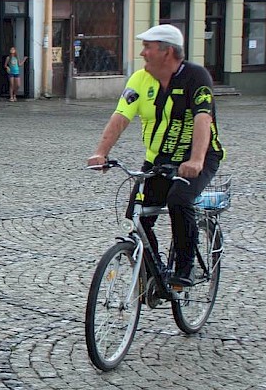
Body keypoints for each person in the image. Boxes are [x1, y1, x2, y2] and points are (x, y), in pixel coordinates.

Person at [87, 24, 225, 287]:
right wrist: (101, 153)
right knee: (137, 215)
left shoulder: (196, 77)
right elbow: (120, 116)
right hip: (159, 160)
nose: (143, 53)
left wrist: (195, 160)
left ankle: (184, 268)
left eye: (148, 48)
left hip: (199, 157)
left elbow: (202, 119)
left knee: (179, 199)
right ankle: (155, 272)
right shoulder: (140, 80)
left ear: (167, 52)